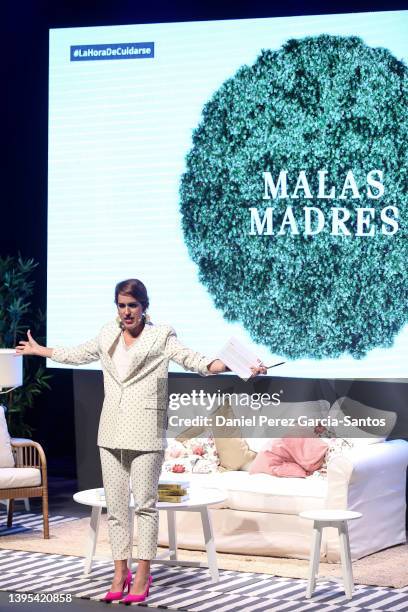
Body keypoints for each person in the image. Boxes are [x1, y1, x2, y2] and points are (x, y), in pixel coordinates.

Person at [16, 278, 266, 604]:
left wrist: (237, 365)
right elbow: (79, 353)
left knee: (145, 506)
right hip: (110, 432)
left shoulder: (161, 335)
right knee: (117, 510)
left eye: (132, 305)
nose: (126, 312)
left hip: (146, 431)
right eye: (121, 305)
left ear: (144, 306)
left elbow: (198, 362)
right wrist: (41, 350)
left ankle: (143, 575)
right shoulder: (108, 333)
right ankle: (121, 572)